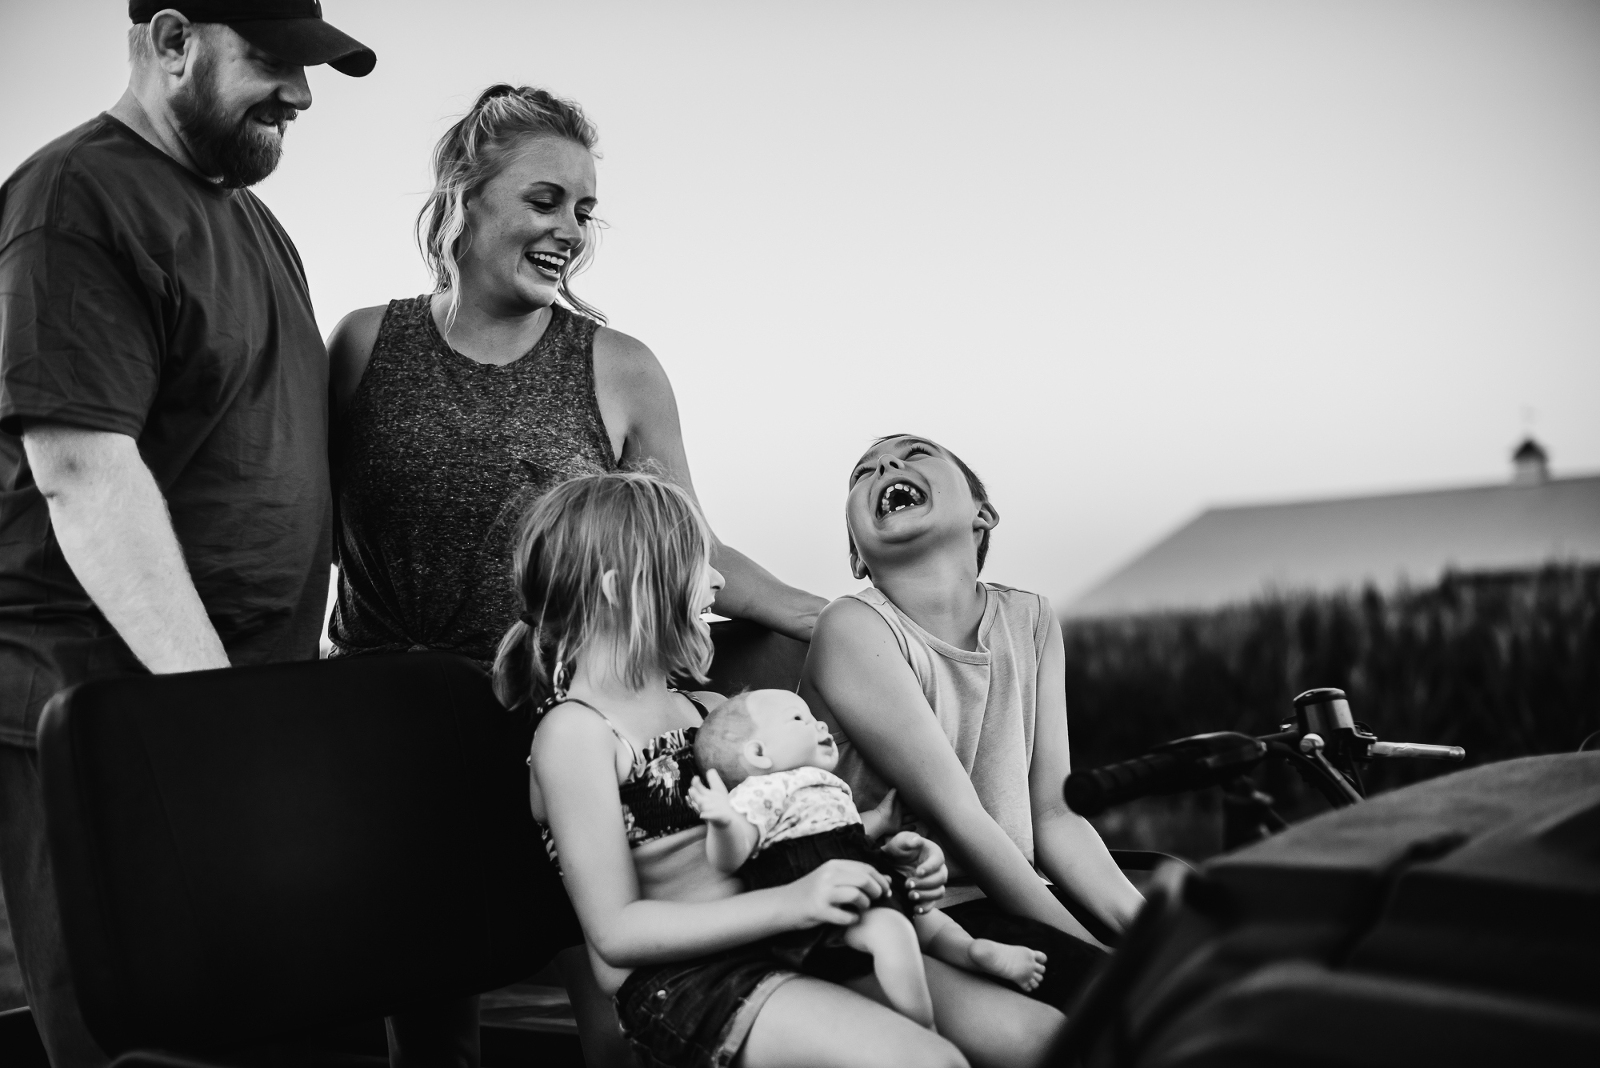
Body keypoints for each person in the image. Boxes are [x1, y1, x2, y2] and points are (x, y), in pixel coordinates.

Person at [324, 82, 829, 1064]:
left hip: (557, 730)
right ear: (463, 195)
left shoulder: (616, 365)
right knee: (431, 1022)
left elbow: (692, 549)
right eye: (545, 200)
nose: (570, 230)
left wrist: (832, 620)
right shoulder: (360, 345)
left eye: (585, 210)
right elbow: (310, 531)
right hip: (392, 736)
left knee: (614, 1013)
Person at [0, 5, 374, 1068]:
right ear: (172, 41)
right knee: (144, 1044)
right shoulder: (76, 198)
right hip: (106, 721)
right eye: (272, 61)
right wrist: (221, 725)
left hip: (230, 713)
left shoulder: (258, 230)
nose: (301, 94)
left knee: (263, 1029)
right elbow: (80, 474)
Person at [504, 470, 1067, 1068]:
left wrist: (879, 854)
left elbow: (786, 831)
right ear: (622, 591)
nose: (717, 582)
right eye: (697, 566)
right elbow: (615, 938)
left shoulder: (712, 711)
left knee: (1046, 1039)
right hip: (694, 980)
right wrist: (798, 902)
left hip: (795, 938)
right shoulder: (578, 734)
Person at [799, 434, 1147, 1011]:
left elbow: (1054, 813)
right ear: (857, 555)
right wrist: (1089, 952)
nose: (886, 466)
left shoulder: (1029, 618)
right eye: (863, 474)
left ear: (982, 516)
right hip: (917, 912)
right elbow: (958, 815)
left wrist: (1150, 932)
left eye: (914, 455)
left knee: (1190, 967)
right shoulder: (852, 628)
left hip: (1013, 892)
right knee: (1123, 1010)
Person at [689, 689, 1049, 1028]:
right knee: (893, 932)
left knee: (928, 920)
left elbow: (845, 830)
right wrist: (723, 822)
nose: (819, 723)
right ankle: (923, 1027)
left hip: (864, 881)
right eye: (798, 719)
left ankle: (973, 951)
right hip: (823, 909)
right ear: (758, 755)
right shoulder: (759, 792)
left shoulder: (824, 784)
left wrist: (880, 819)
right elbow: (731, 857)